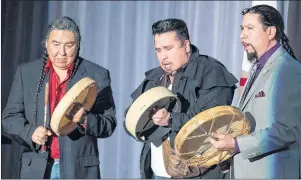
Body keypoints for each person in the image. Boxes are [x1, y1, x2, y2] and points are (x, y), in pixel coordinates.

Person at [2, 16, 117, 179]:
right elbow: (9, 118)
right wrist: (31, 132)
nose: (61, 52)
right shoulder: (26, 72)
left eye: (69, 45)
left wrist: (84, 119)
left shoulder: (96, 75)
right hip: (35, 168)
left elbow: (108, 124)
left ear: (78, 46)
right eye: (55, 44)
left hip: (79, 171)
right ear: (46, 44)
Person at [124, 18, 238, 179]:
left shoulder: (211, 72)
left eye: (168, 48)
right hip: (157, 174)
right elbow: (129, 118)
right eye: (158, 50)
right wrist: (144, 120)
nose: (163, 56)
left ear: (186, 45)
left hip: (200, 174)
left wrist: (170, 119)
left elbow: (211, 124)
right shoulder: (155, 77)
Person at [209, 5, 301, 178]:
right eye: (242, 28)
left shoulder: (288, 69)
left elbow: (287, 129)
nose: (242, 35)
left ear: (271, 32)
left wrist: (236, 144)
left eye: (250, 28)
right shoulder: (256, 68)